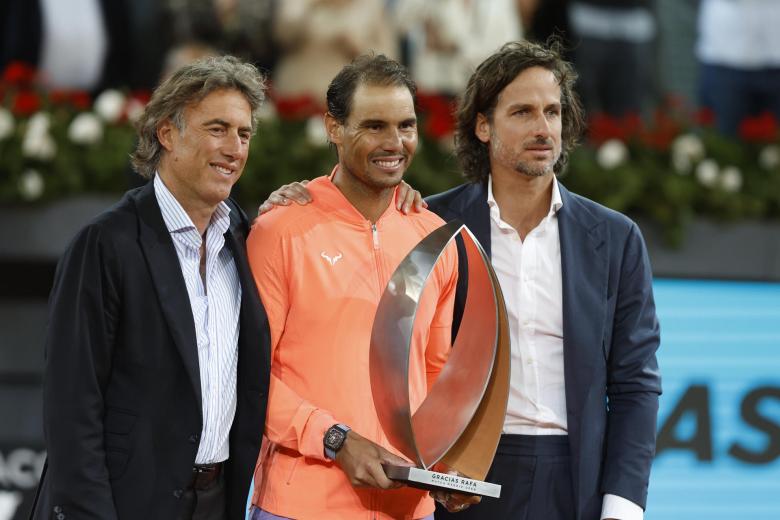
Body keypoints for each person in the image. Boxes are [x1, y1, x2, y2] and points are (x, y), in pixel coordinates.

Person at [262, 39, 662, 520]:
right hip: (465, 473)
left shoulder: (615, 238)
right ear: (483, 125)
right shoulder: (435, 223)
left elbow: (636, 382)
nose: (543, 128)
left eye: (553, 112)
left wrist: (623, 505)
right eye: (523, 112)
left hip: (572, 475)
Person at [29, 55, 271, 520]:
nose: (234, 149)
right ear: (167, 134)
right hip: (122, 504)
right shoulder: (104, 244)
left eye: (244, 134)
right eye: (217, 129)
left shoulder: (245, 238)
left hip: (218, 501)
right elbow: (71, 408)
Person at [245, 53, 468, 520]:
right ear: (333, 128)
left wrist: (447, 463)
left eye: (405, 126)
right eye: (374, 126)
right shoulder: (280, 230)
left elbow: (435, 374)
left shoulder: (434, 238)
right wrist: (335, 440)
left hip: (408, 508)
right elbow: (249, 376)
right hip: (301, 505)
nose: (395, 143)